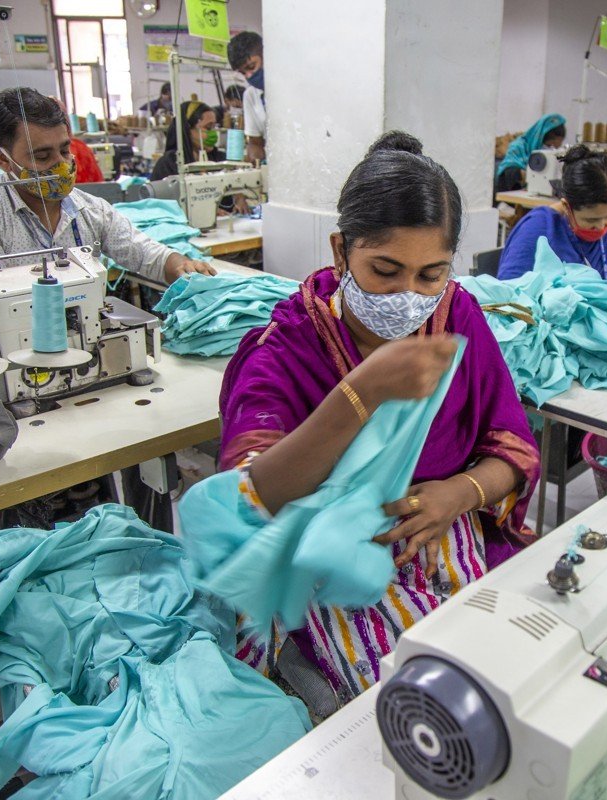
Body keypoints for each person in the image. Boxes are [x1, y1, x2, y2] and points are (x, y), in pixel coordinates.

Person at [218, 131, 539, 699]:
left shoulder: (456, 316)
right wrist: (358, 395)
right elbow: (248, 498)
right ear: (341, 250)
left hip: (442, 526)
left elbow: (511, 448)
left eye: (430, 275)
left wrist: (460, 493)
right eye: (385, 270)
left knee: (510, 676)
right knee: (417, 696)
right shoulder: (288, 347)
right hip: (333, 555)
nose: (407, 296)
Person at [0, 88, 215, 286]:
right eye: (43, 156)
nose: (61, 165)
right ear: (3, 159)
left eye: (64, 150)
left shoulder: (88, 209)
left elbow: (143, 253)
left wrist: (180, 264)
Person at [498, 145, 607, 294]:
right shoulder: (538, 230)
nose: (602, 226)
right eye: (591, 221)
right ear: (566, 206)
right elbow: (508, 298)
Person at [149, 101, 225, 181]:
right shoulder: (169, 165)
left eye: (214, 127)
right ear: (187, 129)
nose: (213, 133)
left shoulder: (220, 160)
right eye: (208, 127)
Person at [494, 113, 566, 192]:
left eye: (556, 148)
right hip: (508, 193)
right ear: (540, 138)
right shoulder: (518, 147)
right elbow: (509, 174)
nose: (551, 149)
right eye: (549, 145)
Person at [228, 32, 266, 163]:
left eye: (251, 67)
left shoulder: (292, 87)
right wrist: (256, 164)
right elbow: (255, 142)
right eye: (243, 72)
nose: (249, 76)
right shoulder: (251, 95)